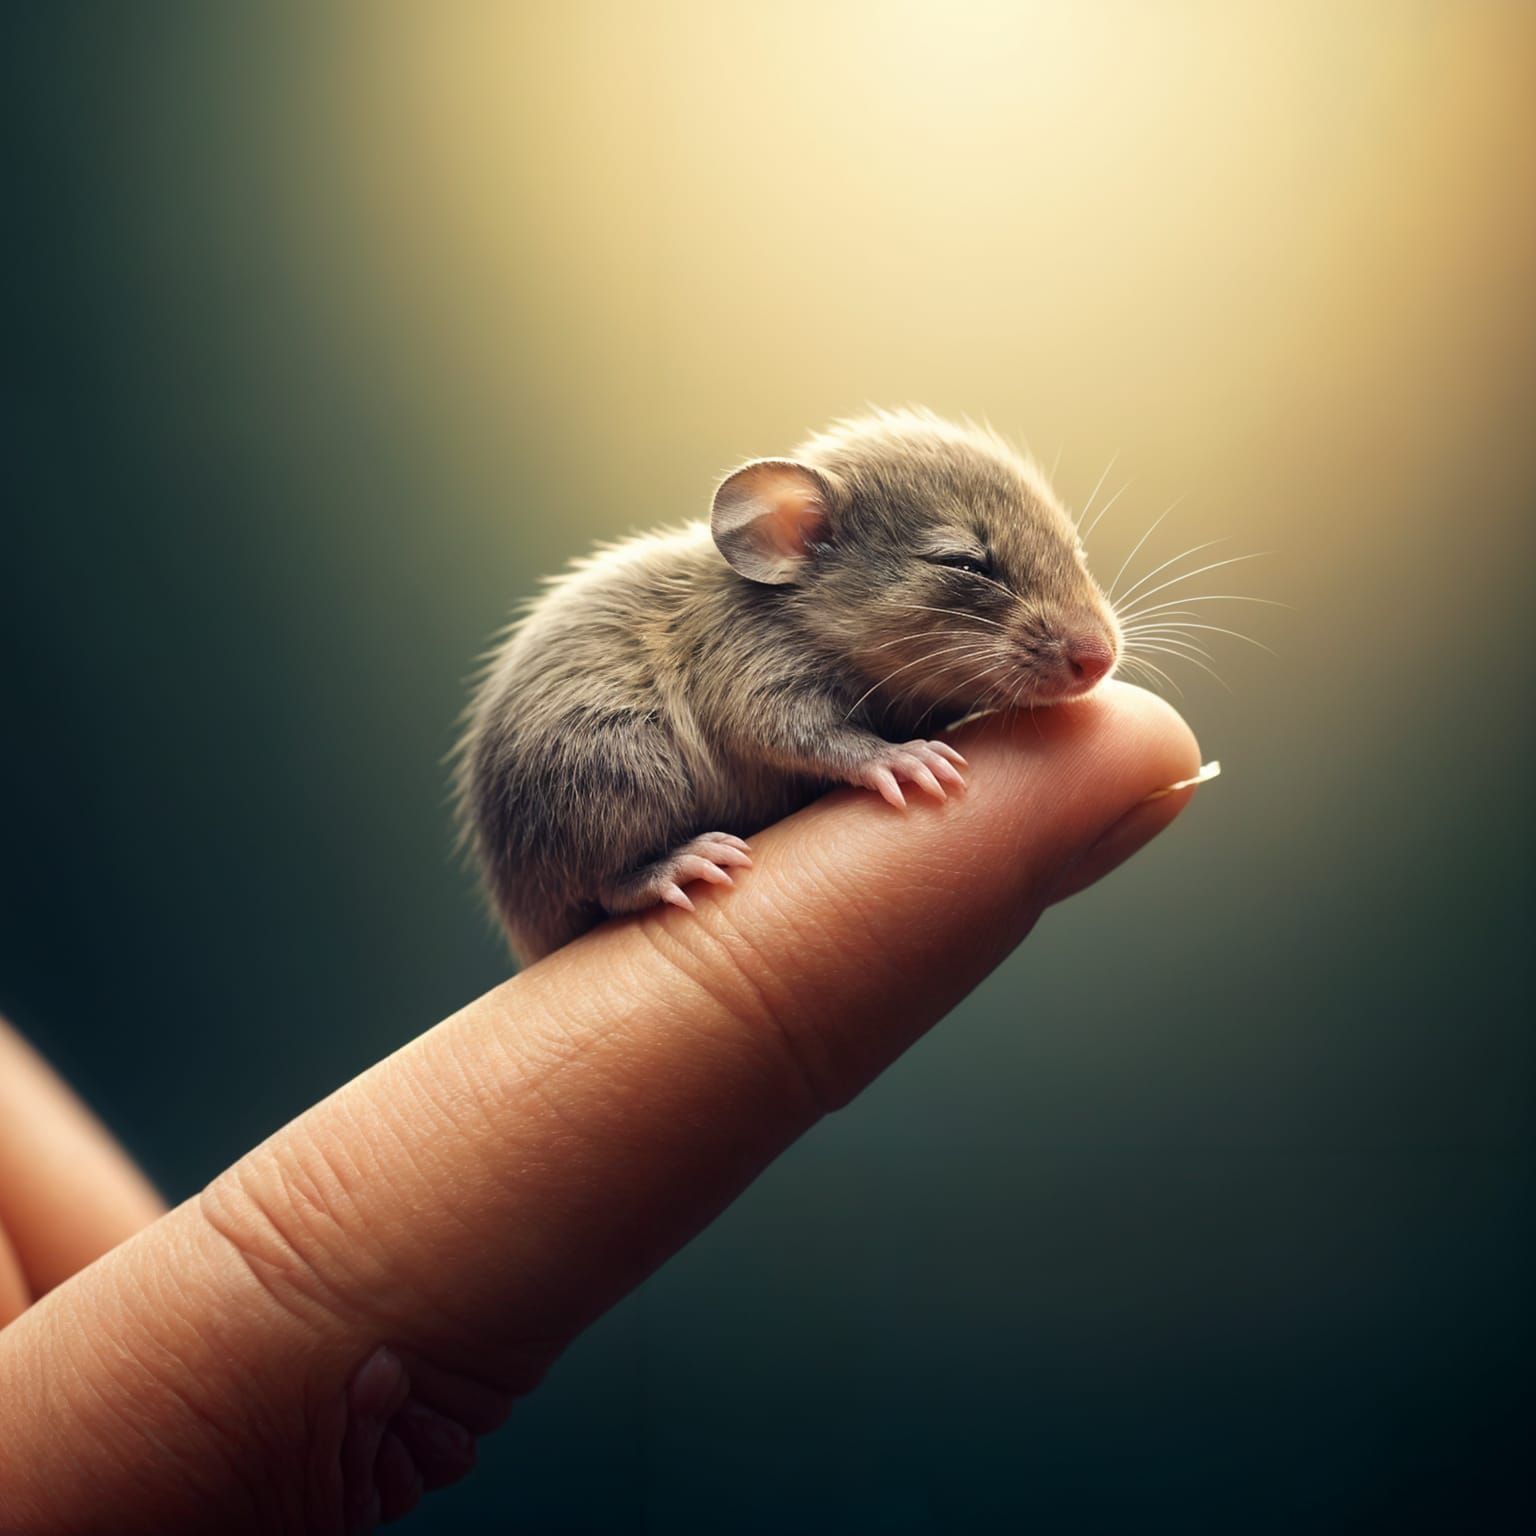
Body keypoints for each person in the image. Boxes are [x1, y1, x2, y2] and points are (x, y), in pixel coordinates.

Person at [0, 684, 1199, 1533]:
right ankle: (626, 872)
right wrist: (857, 757)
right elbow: (761, 711)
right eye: (977, 577)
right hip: (591, 807)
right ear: (788, 539)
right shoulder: (758, 637)